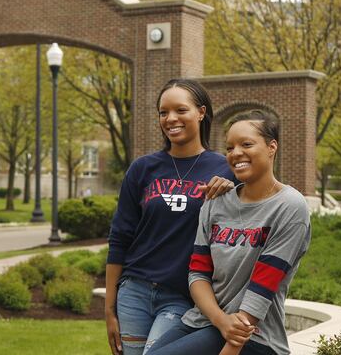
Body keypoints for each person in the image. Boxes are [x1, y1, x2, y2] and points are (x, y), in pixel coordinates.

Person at [147, 110, 311, 355]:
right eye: (229, 147)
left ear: (271, 146)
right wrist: (221, 321)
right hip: (206, 321)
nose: (236, 154)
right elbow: (198, 274)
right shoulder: (215, 202)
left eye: (246, 144)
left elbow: (262, 287)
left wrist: (232, 345)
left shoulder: (289, 206)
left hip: (254, 335)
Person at [105, 79, 238, 355]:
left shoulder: (225, 170)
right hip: (134, 292)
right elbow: (120, 238)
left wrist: (230, 191)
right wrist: (109, 310)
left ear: (201, 112)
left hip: (182, 296)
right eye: (163, 113)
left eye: (180, 110)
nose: (170, 119)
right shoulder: (142, 169)